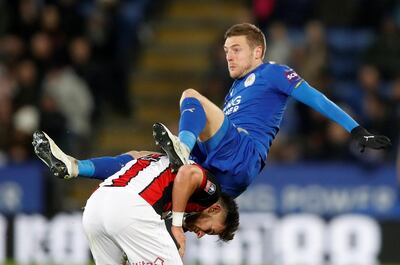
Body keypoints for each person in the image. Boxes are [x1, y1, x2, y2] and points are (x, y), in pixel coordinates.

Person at [153, 22, 391, 198]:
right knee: (146, 160)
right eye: (226, 51)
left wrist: (356, 129)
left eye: (236, 49)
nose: (229, 57)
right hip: (220, 164)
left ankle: (181, 150)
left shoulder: (273, 73)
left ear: (257, 52)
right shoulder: (234, 89)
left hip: (242, 154)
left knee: (191, 96)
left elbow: (318, 100)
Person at [32, 131, 239, 264]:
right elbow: (188, 173)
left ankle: (76, 166)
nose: (201, 234)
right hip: (131, 207)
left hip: (96, 206)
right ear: (215, 209)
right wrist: (177, 225)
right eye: (210, 229)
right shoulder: (211, 193)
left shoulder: (157, 161)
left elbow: (132, 156)